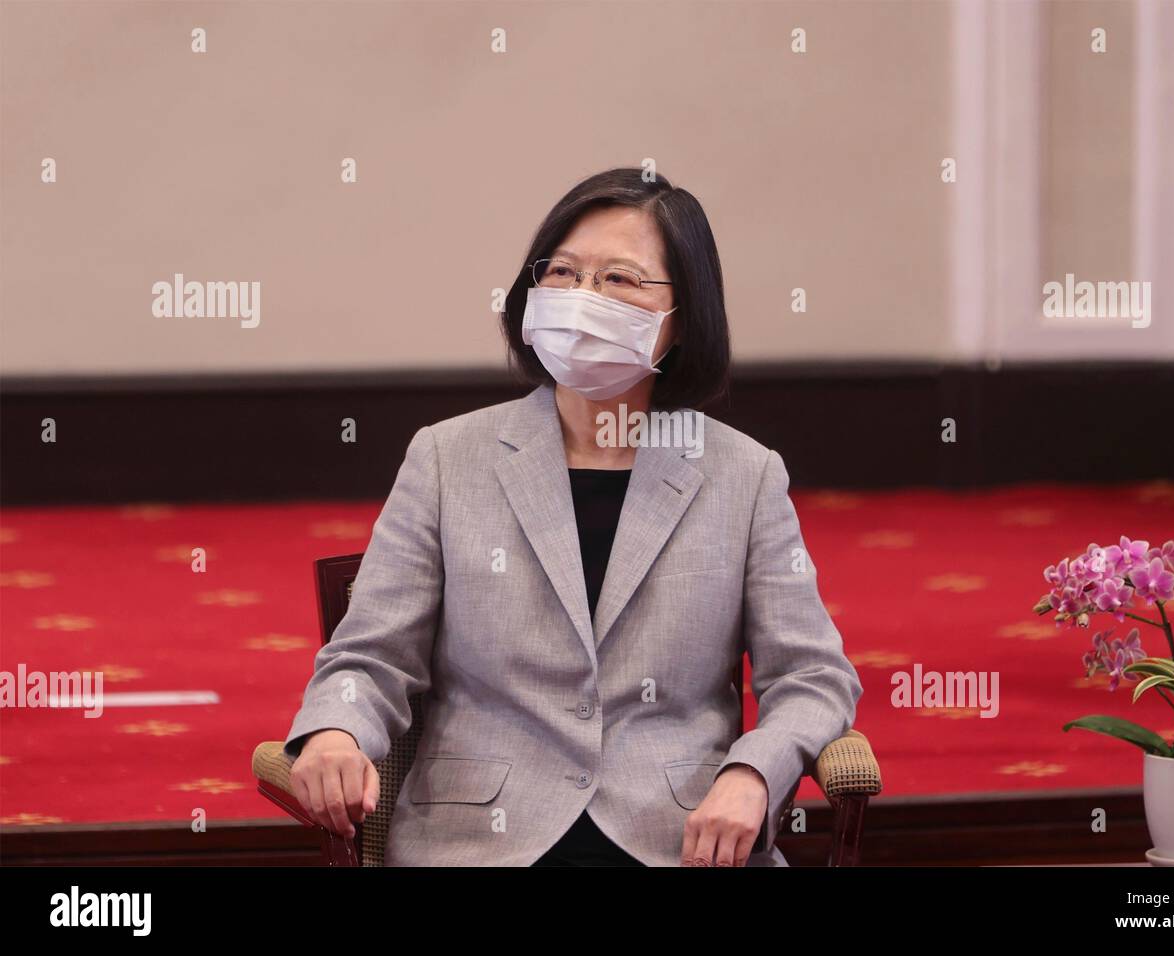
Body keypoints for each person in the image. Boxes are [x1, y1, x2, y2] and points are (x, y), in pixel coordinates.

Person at [283, 167, 863, 866]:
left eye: (619, 280)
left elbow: (813, 677)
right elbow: (370, 657)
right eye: (562, 271)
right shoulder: (447, 458)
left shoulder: (744, 475)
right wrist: (336, 731)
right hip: (481, 841)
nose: (582, 298)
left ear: (682, 319)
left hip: (677, 841)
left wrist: (752, 775)